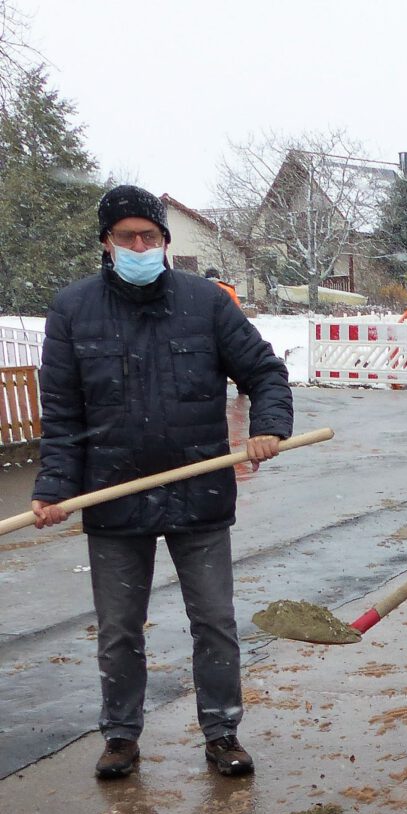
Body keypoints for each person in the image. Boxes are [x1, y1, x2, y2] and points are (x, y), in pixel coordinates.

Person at [30, 185, 292, 780]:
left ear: (166, 242)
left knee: (214, 622)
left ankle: (222, 732)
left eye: (150, 236)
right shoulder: (73, 311)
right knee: (120, 627)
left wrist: (267, 427)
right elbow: (64, 415)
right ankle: (120, 735)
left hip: (197, 495)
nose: (140, 245)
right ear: (107, 243)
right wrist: (53, 487)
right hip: (114, 497)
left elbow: (265, 372)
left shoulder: (206, 304)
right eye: (127, 237)